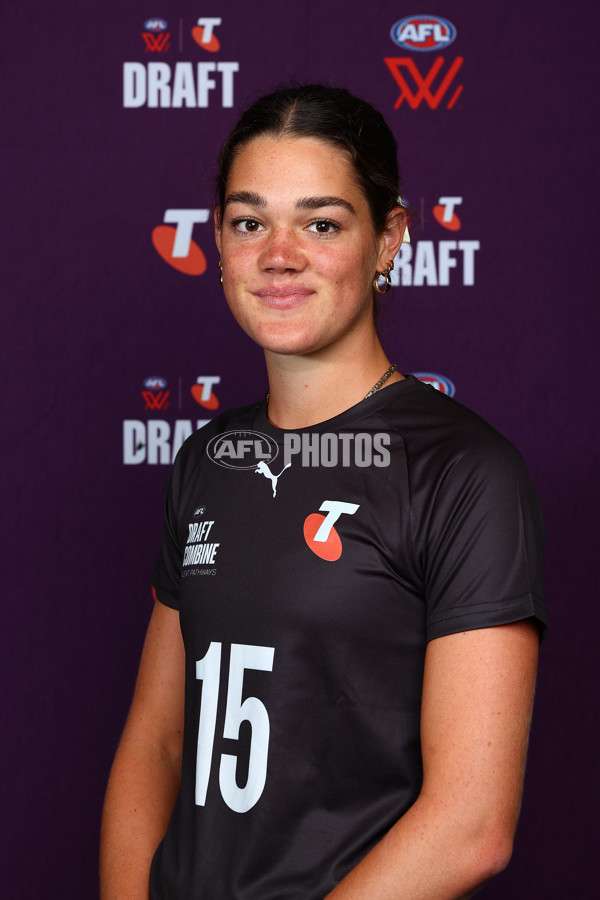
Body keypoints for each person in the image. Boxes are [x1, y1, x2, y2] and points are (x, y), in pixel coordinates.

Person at [100, 84, 546, 899]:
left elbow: (472, 825)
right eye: (249, 222)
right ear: (221, 246)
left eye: (321, 223)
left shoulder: (463, 471)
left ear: (389, 241)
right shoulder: (210, 456)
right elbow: (158, 741)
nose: (279, 254)